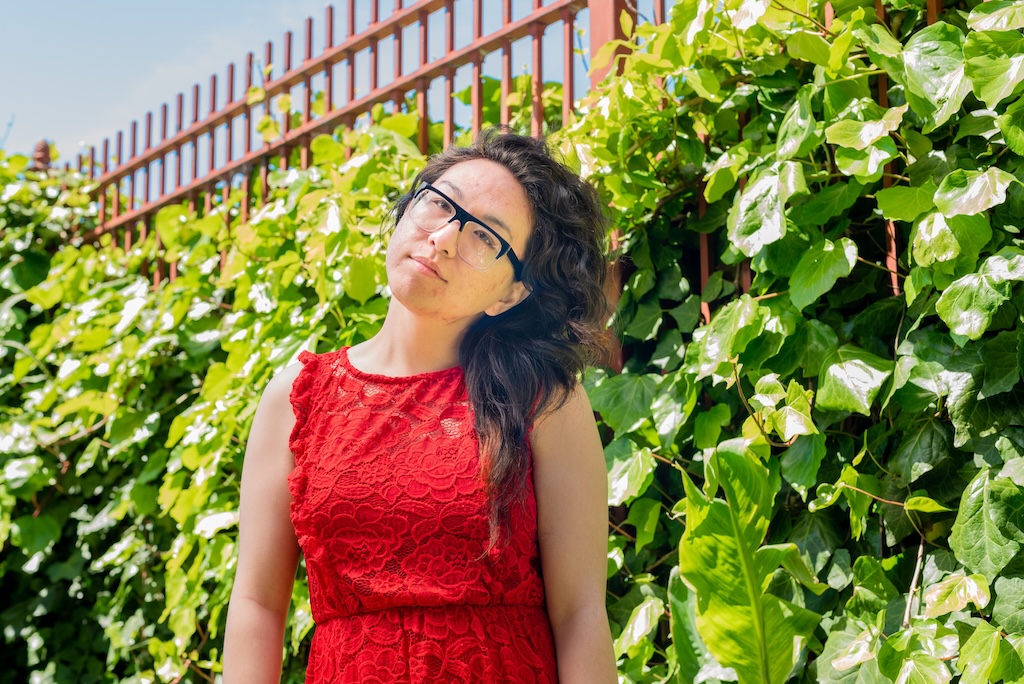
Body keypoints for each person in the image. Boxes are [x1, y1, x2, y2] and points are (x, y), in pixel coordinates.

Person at [223, 129, 617, 683]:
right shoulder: (297, 397)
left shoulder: (543, 400)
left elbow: (580, 614)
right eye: (440, 203)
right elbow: (257, 604)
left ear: (511, 293)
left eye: (485, 236)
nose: (445, 238)